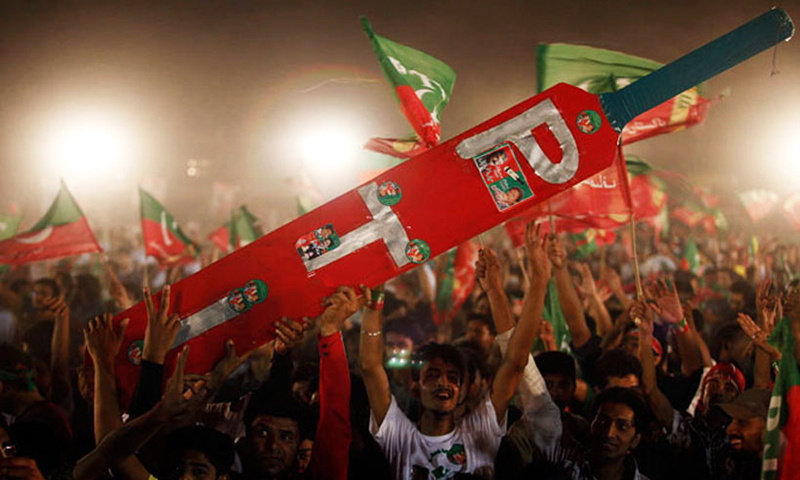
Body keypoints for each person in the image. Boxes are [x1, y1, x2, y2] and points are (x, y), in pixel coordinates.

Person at [360, 222, 551, 479]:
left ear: (462, 391)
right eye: (432, 375)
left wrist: (536, 282)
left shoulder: (480, 431)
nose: (444, 383)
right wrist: (374, 300)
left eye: (453, 377)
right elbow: (371, 368)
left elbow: (516, 363)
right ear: (414, 387)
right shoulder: (399, 438)